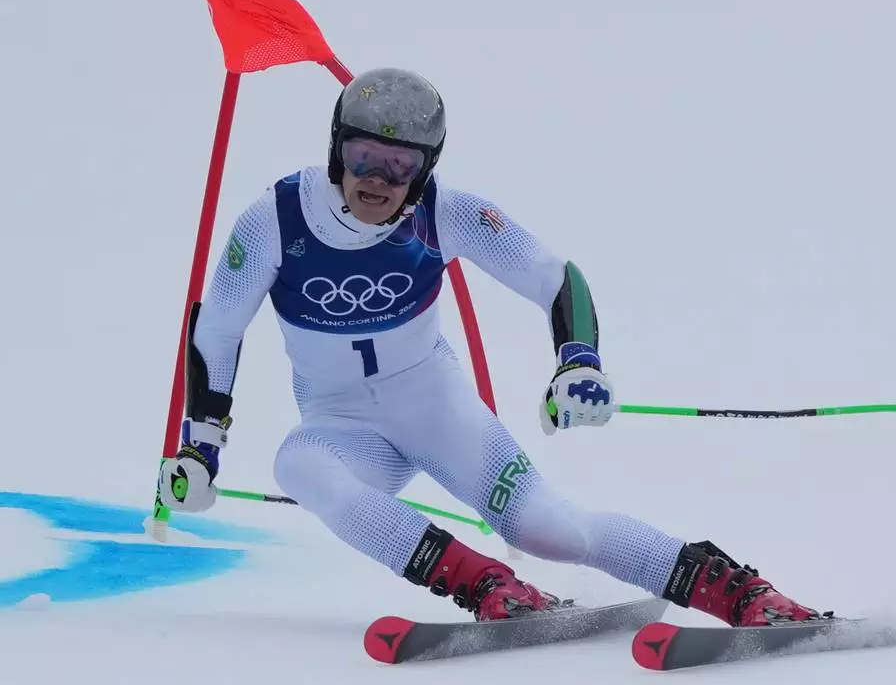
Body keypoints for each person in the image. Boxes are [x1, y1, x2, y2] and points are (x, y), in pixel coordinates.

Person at [158, 67, 821, 627]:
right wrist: (200, 449)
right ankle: (486, 586)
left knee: (552, 532)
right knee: (299, 466)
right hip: (343, 426)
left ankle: (738, 593)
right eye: (364, 157)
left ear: (425, 171)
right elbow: (217, 329)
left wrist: (578, 361)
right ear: (338, 150)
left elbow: (557, 278)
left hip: (438, 411)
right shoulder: (276, 219)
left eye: (400, 166)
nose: (378, 180)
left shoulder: (444, 212)